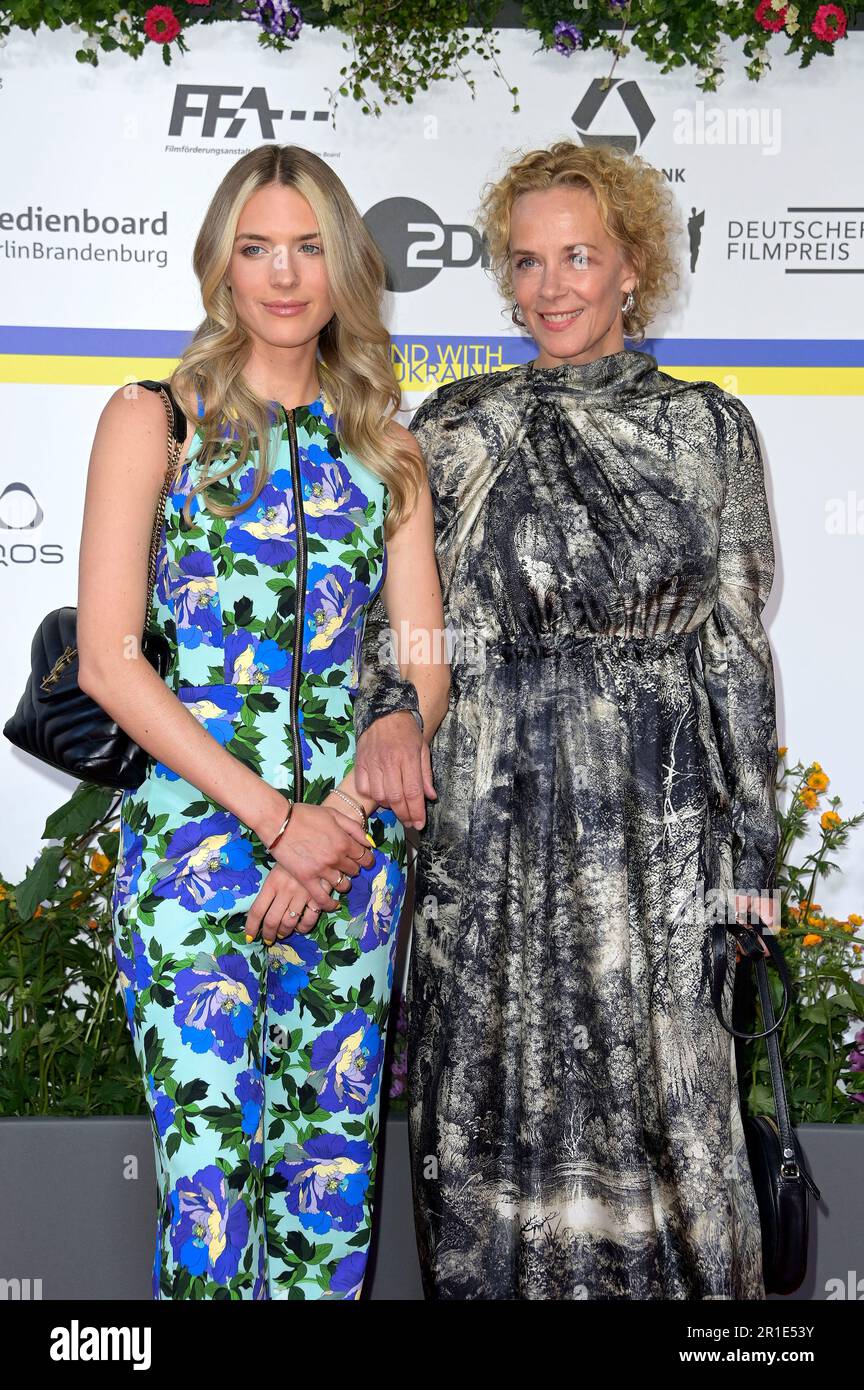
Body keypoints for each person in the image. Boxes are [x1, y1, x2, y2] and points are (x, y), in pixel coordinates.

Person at [352, 140, 780, 1300]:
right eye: (527, 262)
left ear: (633, 266)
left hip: (653, 828)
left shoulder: (709, 432)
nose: (550, 288)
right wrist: (395, 707)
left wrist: (751, 867)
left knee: (671, 1107)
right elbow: (410, 622)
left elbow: (735, 651)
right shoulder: (455, 428)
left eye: (578, 256)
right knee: (492, 1109)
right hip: (487, 828)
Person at [77, 143, 449, 1300]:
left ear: (344, 266)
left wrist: (332, 824)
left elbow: (425, 658)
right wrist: (273, 817)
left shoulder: (387, 441)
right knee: (210, 1201)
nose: (284, 276)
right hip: (197, 851)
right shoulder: (155, 419)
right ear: (220, 265)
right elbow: (106, 661)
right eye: (256, 248)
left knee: (328, 1195)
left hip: (351, 853)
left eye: (307, 247)